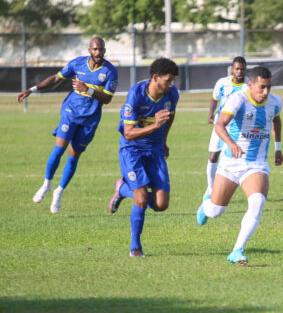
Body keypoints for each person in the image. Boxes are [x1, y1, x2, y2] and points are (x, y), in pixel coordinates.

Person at [17, 37, 118, 214]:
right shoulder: (78, 64)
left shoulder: (110, 71)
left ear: (104, 50)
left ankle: (59, 191)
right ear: (89, 50)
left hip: (90, 120)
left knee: (73, 157)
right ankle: (46, 184)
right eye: (95, 49)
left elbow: (107, 99)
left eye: (101, 50)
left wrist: (88, 89)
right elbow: (55, 78)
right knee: (58, 150)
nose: (98, 53)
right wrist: (31, 90)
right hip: (70, 114)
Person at [196, 66, 283, 265]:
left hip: (256, 165)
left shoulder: (275, 102)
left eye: (269, 87)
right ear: (250, 84)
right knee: (215, 211)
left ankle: (237, 250)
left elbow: (276, 121)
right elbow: (219, 125)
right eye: (262, 87)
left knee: (258, 202)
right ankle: (206, 205)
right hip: (230, 163)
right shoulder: (238, 99)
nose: (266, 92)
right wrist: (231, 144)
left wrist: (278, 148)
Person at [108, 57, 179, 258]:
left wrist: (163, 140)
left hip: (155, 149)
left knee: (161, 205)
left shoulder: (171, 94)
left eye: (172, 81)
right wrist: (155, 126)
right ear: (155, 77)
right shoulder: (136, 95)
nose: (171, 85)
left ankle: (121, 188)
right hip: (132, 149)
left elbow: (170, 115)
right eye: (168, 80)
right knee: (140, 199)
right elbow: (128, 133)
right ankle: (135, 247)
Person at [204, 56, 249, 199]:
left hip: (239, 127)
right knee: (213, 156)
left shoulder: (250, 84)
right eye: (237, 69)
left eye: (242, 69)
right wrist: (211, 113)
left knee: (235, 157)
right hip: (221, 125)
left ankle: (242, 188)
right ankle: (210, 189)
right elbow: (214, 99)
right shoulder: (222, 83)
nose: (240, 71)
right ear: (232, 69)